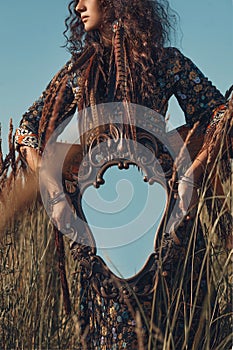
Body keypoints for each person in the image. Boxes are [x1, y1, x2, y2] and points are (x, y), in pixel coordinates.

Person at [14, 0, 232, 348]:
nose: (78, 5)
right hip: (106, 234)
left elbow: (221, 115)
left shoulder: (165, 62)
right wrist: (49, 185)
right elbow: (28, 128)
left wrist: (193, 169)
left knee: (178, 329)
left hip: (169, 225)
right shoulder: (81, 70)